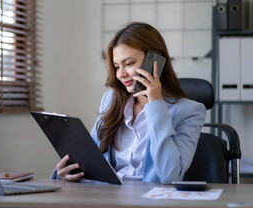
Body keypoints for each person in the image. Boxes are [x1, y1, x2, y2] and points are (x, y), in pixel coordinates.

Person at [52, 22, 206, 184]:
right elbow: (90, 157)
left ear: (155, 60)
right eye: (117, 66)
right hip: (107, 196)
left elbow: (170, 176)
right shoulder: (110, 99)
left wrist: (155, 105)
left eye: (129, 64)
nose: (121, 74)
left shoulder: (191, 111)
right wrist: (66, 172)